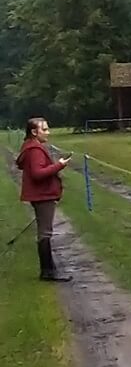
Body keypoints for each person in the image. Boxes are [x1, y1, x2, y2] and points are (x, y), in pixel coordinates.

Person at [16, 117, 72, 282]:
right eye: (45, 129)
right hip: (42, 195)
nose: (48, 132)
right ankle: (47, 271)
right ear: (34, 132)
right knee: (45, 233)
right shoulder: (35, 149)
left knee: (44, 231)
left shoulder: (30, 146)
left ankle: (49, 269)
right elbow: (37, 173)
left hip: (40, 194)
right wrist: (59, 165)